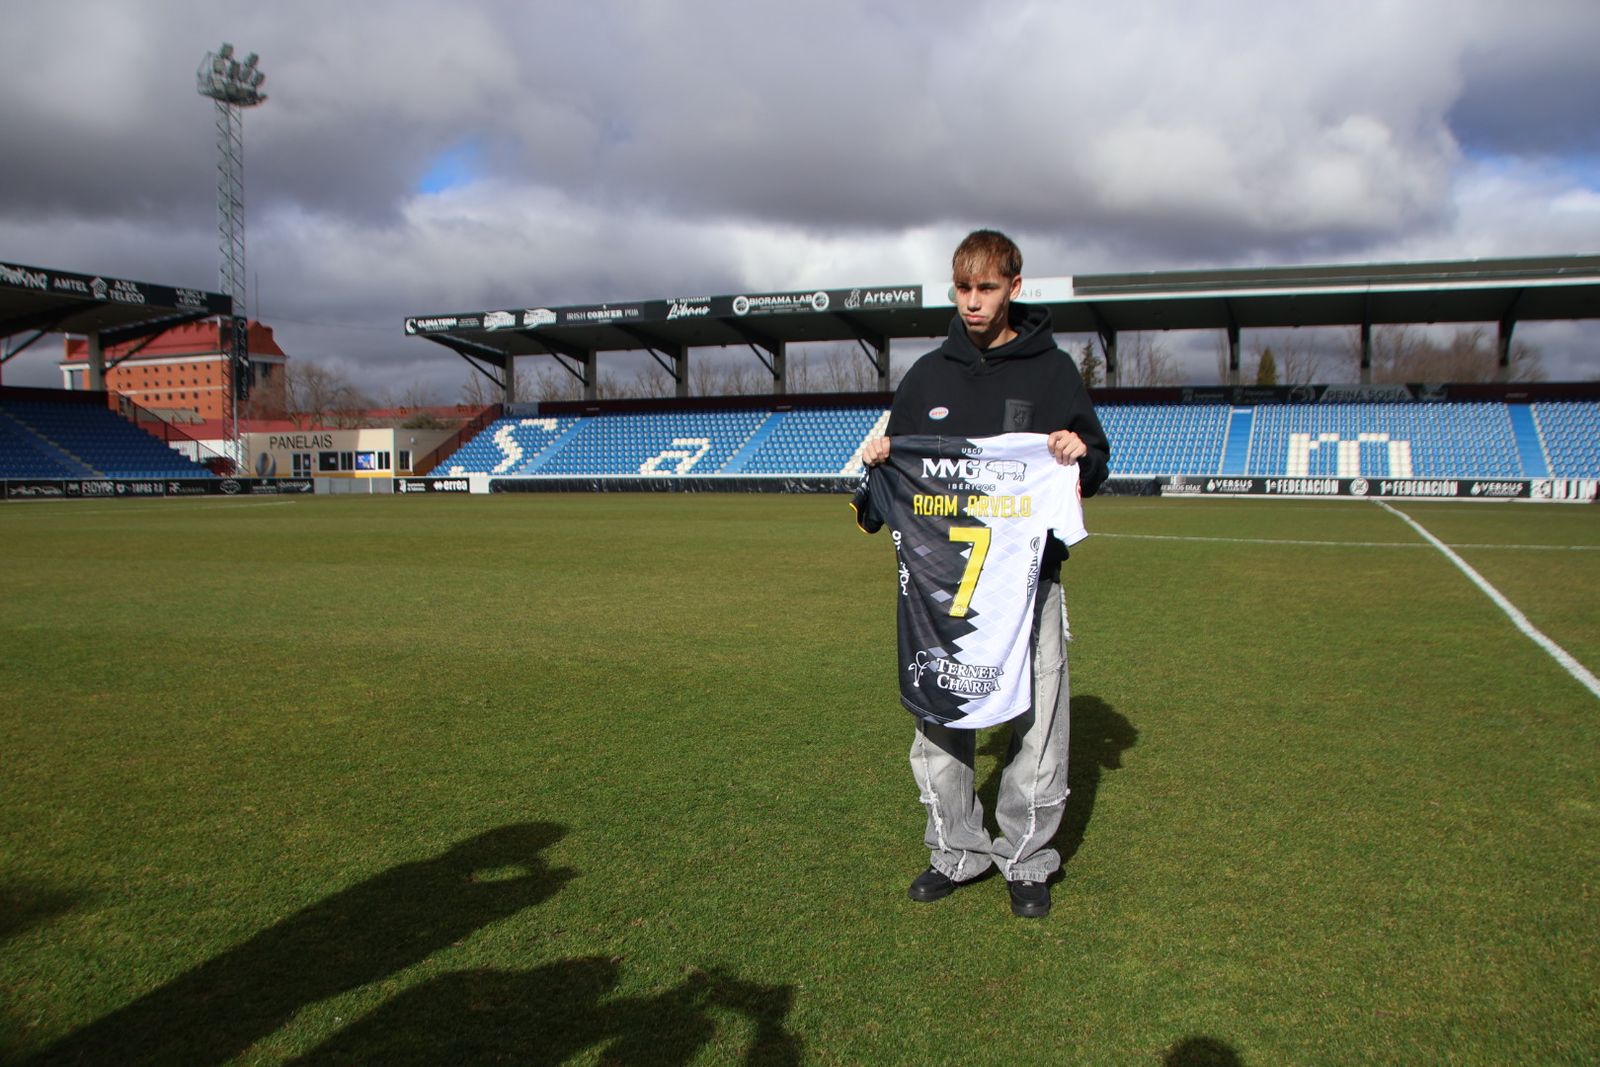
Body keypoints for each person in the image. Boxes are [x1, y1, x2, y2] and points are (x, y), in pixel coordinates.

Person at [861, 229, 1109, 918]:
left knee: (1039, 727)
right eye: (962, 288)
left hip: (1031, 586)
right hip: (940, 594)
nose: (973, 302)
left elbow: (1095, 459)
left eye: (987, 287)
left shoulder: (1052, 371)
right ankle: (957, 849)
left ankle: (1025, 858)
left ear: (1015, 287)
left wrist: (1075, 447)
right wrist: (878, 457)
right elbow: (885, 486)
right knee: (940, 717)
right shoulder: (927, 374)